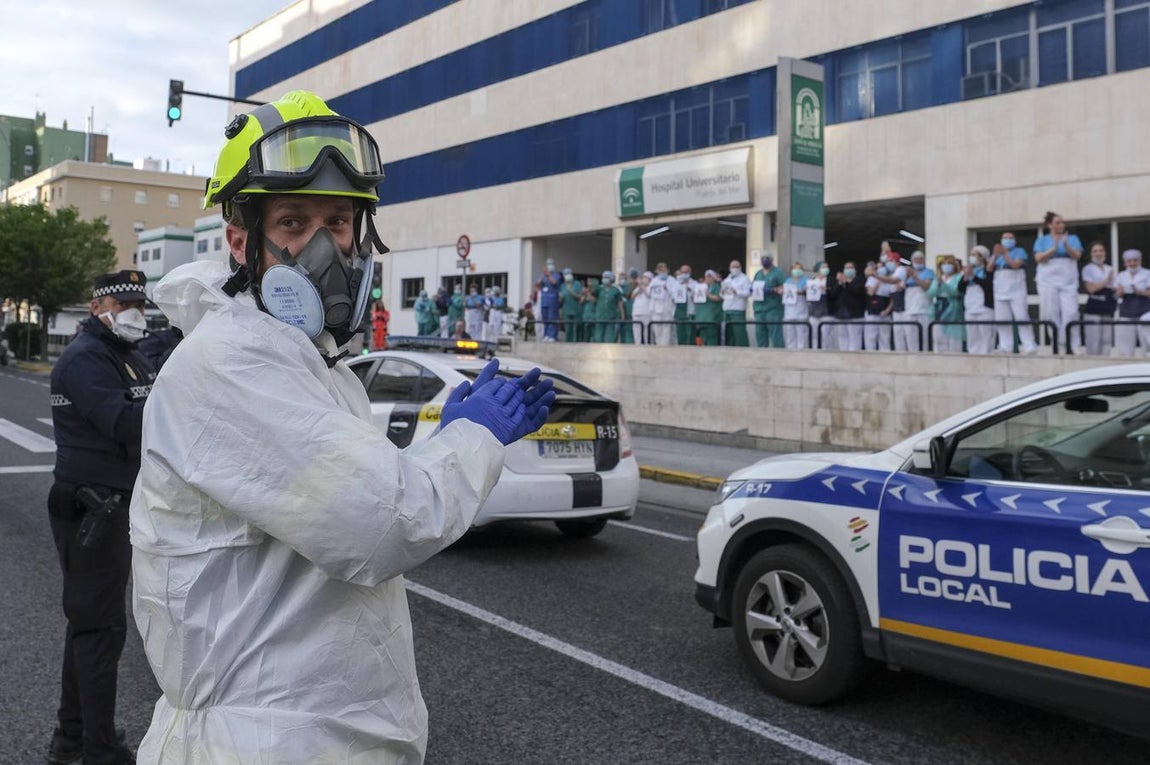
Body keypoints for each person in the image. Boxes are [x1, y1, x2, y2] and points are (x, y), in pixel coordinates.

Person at [128, 90, 555, 763]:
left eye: (338, 220)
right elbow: (387, 520)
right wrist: (474, 436)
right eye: (293, 222)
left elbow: (351, 485)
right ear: (241, 239)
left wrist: (451, 433)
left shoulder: (310, 363)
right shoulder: (234, 363)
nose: (322, 247)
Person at [46, 270, 155, 765]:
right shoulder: (86, 358)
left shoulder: (126, 354)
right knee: (100, 628)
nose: (135, 312)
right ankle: (100, 749)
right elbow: (123, 423)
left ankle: (71, 738)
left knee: (88, 624)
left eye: (139, 303)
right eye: (123, 302)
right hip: (93, 505)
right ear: (96, 307)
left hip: (113, 502)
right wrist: (172, 404)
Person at [1034, 212, 1083, 352]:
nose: (1061, 225)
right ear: (1050, 225)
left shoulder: (1072, 238)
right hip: (1048, 279)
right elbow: (1039, 258)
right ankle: (1058, 344)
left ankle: (1074, 344)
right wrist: (1053, 248)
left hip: (1068, 278)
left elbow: (1077, 255)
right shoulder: (1042, 240)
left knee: (1071, 312)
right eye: (1058, 223)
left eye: (1062, 222)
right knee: (1050, 312)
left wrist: (1066, 245)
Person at [988, 232, 1038, 354]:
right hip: (1000, 286)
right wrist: (995, 255)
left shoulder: (1019, 251)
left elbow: (1015, 265)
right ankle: (1005, 346)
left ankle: (1029, 345)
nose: (1007, 240)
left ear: (1015, 240)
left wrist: (1005, 254)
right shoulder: (997, 254)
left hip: (1016, 287)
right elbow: (989, 268)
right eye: (1005, 238)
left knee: (1021, 316)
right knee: (1002, 318)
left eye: (1010, 238)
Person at [1080, 242, 1116, 356]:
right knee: (1093, 339)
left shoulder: (1109, 268)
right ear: (1091, 254)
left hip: (1107, 307)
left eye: (1101, 250)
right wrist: (1106, 281)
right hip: (1094, 307)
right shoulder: (1088, 269)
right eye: (1095, 251)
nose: (1098, 253)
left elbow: (1114, 287)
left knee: (1107, 339)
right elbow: (1091, 289)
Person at [1114, 249, 1150, 357]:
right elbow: (1116, 293)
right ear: (1125, 263)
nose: (1133, 263)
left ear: (1140, 261)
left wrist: (1139, 291)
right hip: (1127, 310)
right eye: (1129, 261)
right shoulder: (1121, 275)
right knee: (1126, 345)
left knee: (1146, 342)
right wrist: (1120, 292)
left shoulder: (1147, 273)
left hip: (1144, 310)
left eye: (1135, 260)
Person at [959, 246, 995, 354]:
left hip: (984, 307)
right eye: (971, 254)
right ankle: (973, 354)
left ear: (983, 257)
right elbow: (960, 288)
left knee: (985, 334)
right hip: (970, 307)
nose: (972, 257)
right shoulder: (969, 270)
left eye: (975, 255)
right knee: (972, 334)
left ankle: (986, 354)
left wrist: (973, 276)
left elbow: (988, 286)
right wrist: (965, 277)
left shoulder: (988, 269)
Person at [928, 256, 964, 352]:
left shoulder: (959, 277)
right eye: (944, 264)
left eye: (949, 264)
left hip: (953, 309)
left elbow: (956, 292)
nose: (946, 266)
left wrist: (943, 285)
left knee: (953, 340)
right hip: (938, 309)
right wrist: (938, 284)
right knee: (938, 338)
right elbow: (930, 293)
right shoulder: (938, 279)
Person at [828, 261, 866, 351]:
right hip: (841, 314)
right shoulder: (840, 283)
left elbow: (857, 291)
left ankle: (854, 357)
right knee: (842, 337)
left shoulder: (859, 280)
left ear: (855, 270)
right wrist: (840, 283)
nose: (848, 270)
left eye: (850, 268)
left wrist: (847, 283)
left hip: (855, 315)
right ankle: (844, 354)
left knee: (855, 337)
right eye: (846, 268)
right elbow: (832, 294)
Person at [900, 250, 933, 351]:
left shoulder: (929, 272)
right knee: (910, 338)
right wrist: (906, 277)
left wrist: (915, 276)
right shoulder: (906, 274)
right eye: (916, 259)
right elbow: (900, 287)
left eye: (920, 259)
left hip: (923, 309)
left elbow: (926, 286)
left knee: (924, 339)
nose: (918, 261)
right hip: (909, 309)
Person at [751, 255, 785, 348]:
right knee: (760, 336)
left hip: (773, 309)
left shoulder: (778, 272)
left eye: (767, 258)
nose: (764, 260)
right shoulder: (758, 273)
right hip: (759, 309)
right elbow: (754, 285)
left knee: (776, 336)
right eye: (762, 258)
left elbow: (785, 286)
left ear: (772, 260)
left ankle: (780, 357)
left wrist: (772, 290)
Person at [863, 260, 894, 351]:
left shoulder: (890, 280)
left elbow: (892, 298)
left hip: (885, 312)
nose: (880, 269)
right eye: (878, 267)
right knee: (871, 337)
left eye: (882, 267)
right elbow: (870, 292)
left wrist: (887, 310)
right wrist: (879, 280)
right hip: (872, 312)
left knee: (884, 337)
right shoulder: (871, 279)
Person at [721, 260, 752, 346]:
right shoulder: (727, 279)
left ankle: (743, 350)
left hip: (738, 309)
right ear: (729, 268)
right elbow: (722, 294)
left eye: (737, 267)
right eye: (733, 267)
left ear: (740, 268)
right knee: (729, 334)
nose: (735, 269)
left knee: (739, 333)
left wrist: (737, 292)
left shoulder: (744, 278)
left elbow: (748, 293)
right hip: (727, 309)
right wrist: (722, 292)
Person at [782, 263, 810, 349]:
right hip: (789, 311)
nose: (797, 271)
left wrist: (802, 291)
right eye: (795, 268)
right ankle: (790, 353)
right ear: (791, 270)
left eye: (799, 269)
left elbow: (809, 293)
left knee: (802, 335)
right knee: (790, 335)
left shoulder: (807, 280)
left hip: (801, 311)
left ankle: (802, 354)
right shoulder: (788, 281)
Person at [806, 262, 833, 349]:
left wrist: (827, 289)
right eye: (823, 267)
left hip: (827, 311)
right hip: (814, 311)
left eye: (827, 267)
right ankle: (814, 351)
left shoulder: (830, 280)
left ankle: (827, 351)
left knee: (826, 334)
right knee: (814, 334)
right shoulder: (812, 281)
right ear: (818, 269)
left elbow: (834, 293)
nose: (825, 269)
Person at [648, 263, 676, 345]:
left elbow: (676, 294)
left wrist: (667, 288)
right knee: (657, 331)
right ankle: (659, 349)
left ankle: (665, 349)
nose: (662, 271)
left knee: (667, 332)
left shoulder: (672, 280)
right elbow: (648, 293)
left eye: (664, 269)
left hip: (667, 309)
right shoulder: (654, 281)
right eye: (660, 270)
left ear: (667, 270)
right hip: (656, 310)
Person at [695, 270, 724, 346]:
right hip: (701, 318)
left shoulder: (717, 287)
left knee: (712, 338)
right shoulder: (700, 287)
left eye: (710, 276)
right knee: (702, 339)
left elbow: (719, 298)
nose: (708, 278)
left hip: (712, 317)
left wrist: (708, 294)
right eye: (706, 276)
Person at [594, 270, 624, 343]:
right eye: (603, 277)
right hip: (600, 316)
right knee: (598, 337)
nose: (604, 279)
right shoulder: (599, 289)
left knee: (609, 338)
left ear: (611, 279)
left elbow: (619, 303)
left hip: (611, 317)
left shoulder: (616, 290)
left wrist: (622, 315)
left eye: (606, 277)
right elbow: (593, 298)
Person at [537, 258, 561, 342]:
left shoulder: (556, 275)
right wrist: (541, 278)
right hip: (544, 300)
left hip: (552, 299)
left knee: (552, 317)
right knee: (545, 317)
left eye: (550, 264)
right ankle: (546, 334)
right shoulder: (543, 276)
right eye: (547, 264)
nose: (548, 266)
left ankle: (552, 335)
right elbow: (538, 286)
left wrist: (548, 275)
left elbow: (554, 282)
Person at [559, 267, 583, 342]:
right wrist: (561, 297)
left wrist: (571, 291)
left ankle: (576, 343)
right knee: (568, 329)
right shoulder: (562, 286)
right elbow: (560, 300)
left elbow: (579, 297)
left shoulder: (577, 284)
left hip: (576, 310)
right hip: (567, 311)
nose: (567, 276)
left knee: (576, 329)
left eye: (569, 274)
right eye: (566, 274)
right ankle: (568, 343)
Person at [673, 265, 695, 345]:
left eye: (686, 272)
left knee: (690, 335)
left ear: (690, 273)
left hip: (689, 312)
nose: (684, 274)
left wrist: (689, 290)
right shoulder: (676, 284)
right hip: (679, 312)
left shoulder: (694, 284)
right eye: (683, 272)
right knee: (680, 335)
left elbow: (697, 298)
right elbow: (672, 296)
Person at [630, 271, 653, 345]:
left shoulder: (651, 287)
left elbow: (648, 295)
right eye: (643, 277)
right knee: (637, 334)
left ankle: (649, 347)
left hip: (647, 313)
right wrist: (639, 288)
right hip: (636, 313)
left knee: (647, 334)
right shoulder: (638, 288)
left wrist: (641, 286)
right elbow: (632, 297)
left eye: (645, 278)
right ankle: (637, 347)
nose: (643, 279)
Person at [620, 267, 638, 344]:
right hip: (628, 311)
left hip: (636, 312)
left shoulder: (639, 285)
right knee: (627, 332)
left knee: (636, 333)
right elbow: (626, 295)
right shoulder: (626, 285)